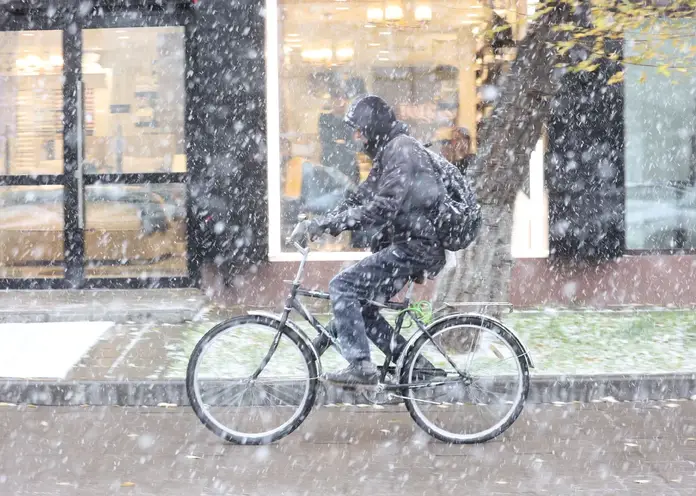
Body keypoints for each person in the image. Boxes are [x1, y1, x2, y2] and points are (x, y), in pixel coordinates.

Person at [290, 94, 447, 386]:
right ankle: (417, 367)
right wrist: (320, 222)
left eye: (360, 129)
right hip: (412, 244)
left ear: (373, 126)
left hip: (416, 247)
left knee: (342, 285)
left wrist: (331, 224)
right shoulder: (391, 150)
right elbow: (359, 197)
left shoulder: (400, 151)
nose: (356, 136)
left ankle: (360, 364)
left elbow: (382, 207)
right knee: (363, 306)